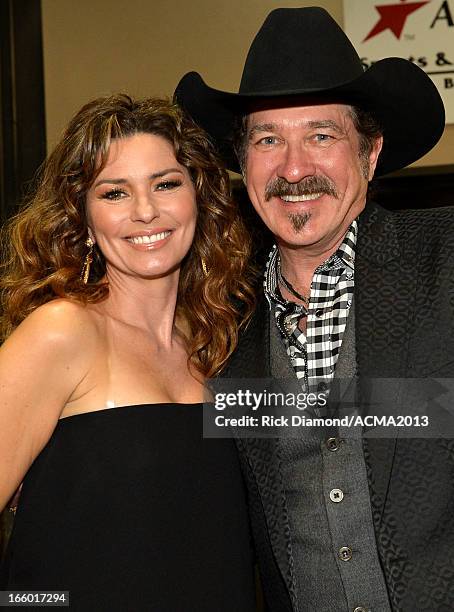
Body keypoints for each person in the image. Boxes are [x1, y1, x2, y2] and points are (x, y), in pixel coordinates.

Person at [175, 6, 454, 612]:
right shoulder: (218, 321)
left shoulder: (446, 261)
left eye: (321, 136)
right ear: (242, 163)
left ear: (371, 153)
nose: (293, 168)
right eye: (268, 139)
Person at [0, 94, 258, 611]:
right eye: (115, 193)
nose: (145, 212)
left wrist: (433, 404)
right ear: (84, 217)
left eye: (166, 184)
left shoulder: (223, 344)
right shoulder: (62, 332)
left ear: (199, 198)